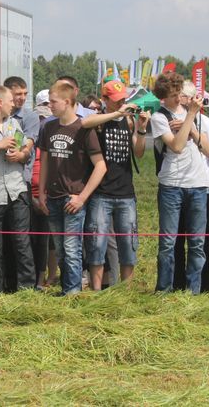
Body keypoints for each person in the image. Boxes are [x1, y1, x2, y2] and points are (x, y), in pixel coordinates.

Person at [38, 81, 107, 296]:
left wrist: (82, 197)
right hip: (53, 196)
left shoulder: (83, 128)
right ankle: (68, 286)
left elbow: (101, 165)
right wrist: (41, 192)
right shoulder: (48, 127)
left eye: (54, 102)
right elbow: (45, 162)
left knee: (72, 247)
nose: (50, 106)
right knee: (59, 248)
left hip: (73, 197)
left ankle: (73, 292)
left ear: (67, 102)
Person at [80, 80, 149, 290]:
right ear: (105, 100)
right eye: (118, 100)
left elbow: (138, 153)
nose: (123, 102)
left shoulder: (128, 121)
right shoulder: (99, 120)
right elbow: (85, 123)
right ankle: (97, 289)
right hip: (101, 192)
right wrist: (117, 114)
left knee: (128, 245)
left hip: (126, 192)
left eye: (124, 99)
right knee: (97, 244)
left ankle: (127, 291)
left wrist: (142, 129)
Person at [150, 71, 209, 294]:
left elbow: (207, 148)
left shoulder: (193, 115)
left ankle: (193, 291)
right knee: (168, 242)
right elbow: (175, 147)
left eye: (179, 93)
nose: (178, 98)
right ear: (163, 97)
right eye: (173, 95)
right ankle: (164, 289)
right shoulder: (159, 117)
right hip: (172, 184)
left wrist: (191, 124)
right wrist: (189, 118)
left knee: (197, 242)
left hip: (197, 184)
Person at [0, 85, 36, 292]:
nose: (14, 104)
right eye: (11, 100)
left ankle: (27, 288)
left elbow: (25, 149)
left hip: (16, 190)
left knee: (22, 243)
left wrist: (21, 154)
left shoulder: (14, 124)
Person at [172, 81, 209, 293]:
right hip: (174, 188)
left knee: (201, 240)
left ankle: (202, 285)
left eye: (181, 96)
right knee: (175, 240)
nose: (178, 100)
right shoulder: (171, 122)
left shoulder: (207, 124)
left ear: (192, 99)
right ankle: (177, 284)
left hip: (200, 190)